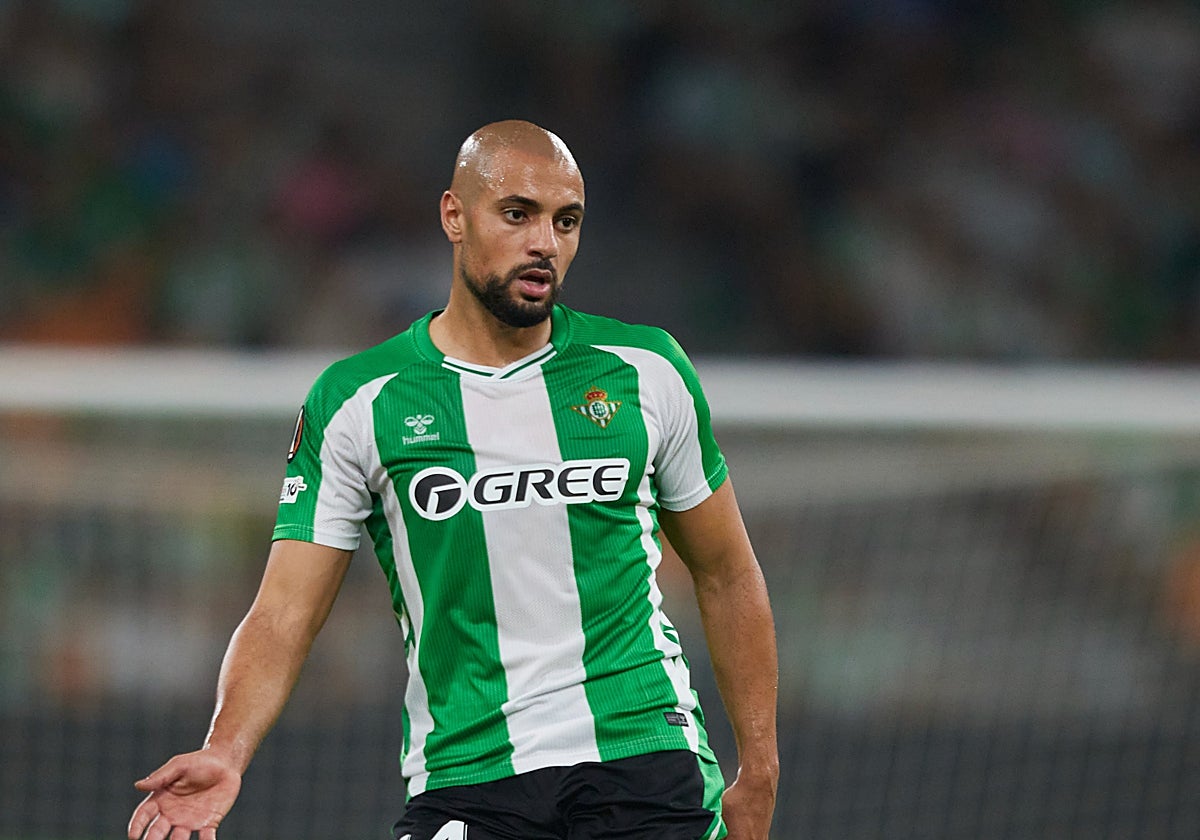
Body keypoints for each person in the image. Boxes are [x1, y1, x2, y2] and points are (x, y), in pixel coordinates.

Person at [127, 120, 778, 840]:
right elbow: (283, 612)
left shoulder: (645, 370)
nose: (545, 243)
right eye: (517, 214)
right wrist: (226, 748)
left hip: (645, 759)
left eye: (566, 222)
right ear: (453, 216)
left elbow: (726, 572)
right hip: (469, 776)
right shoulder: (360, 400)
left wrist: (761, 765)